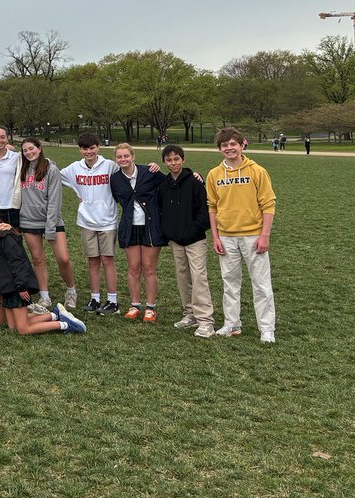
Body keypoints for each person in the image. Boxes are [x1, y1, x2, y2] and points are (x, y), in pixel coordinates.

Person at [206, 128, 277, 343]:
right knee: (230, 283)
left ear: (242, 145)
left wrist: (264, 235)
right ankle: (232, 324)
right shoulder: (214, 175)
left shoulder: (257, 171)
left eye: (233, 144)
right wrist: (216, 237)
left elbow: (269, 205)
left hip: (253, 236)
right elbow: (212, 207)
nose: (229, 148)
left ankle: (266, 329)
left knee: (261, 284)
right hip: (226, 237)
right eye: (224, 145)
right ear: (220, 149)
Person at [0, 209, 85, 335]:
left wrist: (21, 287)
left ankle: (65, 324)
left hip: (16, 287)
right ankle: (54, 315)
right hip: (6, 288)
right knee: (13, 328)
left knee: (23, 329)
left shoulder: (5, 236)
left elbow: (19, 263)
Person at [61, 133, 122, 315]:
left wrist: (152, 167)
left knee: (108, 260)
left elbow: (130, 171)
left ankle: (113, 301)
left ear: (98, 148)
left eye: (92, 148)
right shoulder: (74, 168)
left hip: (107, 221)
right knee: (93, 261)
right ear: (80, 150)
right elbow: (51, 174)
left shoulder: (110, 166)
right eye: (85, 148)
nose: (89, 151)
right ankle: (95, 298)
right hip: (86, 221)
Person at [157, 145, 214, 338]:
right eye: (169, 160)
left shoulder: (195, 183)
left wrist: (193, 229)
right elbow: (161, 210)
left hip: (195, 239)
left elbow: (204, 212)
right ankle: (189, 313)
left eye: (176, 159)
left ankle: (205, 320)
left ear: (183, 160)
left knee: (199, 277)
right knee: (183, 277)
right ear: (165, 162)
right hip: (175, 240)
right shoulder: (164, 186)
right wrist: (169, 232)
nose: (173, 163)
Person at [17, 138, 77, 311]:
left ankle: (71, 291)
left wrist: (50, 227)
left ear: (39, 148)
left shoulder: (52, 169)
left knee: (63, 259)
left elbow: (54, 201)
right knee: (38, 259)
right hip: (28, 220)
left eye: (31, 149)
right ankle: (45, 296)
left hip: (51, 221)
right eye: (25, 150)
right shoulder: (21, 168)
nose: (29, 152)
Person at [111, 143, 166, 323]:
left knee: (149, 268)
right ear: (116, 159)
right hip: (130, 227)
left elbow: (170, 185)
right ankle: (134, 305)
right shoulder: (115, 179)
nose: (123, 159)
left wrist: (194, 175)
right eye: (119, 157)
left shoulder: (149, 172)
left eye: (126, 156)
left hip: (151, 226)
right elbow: (118, 200)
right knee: (134, 267)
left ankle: (150, 308)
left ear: (133, 156)